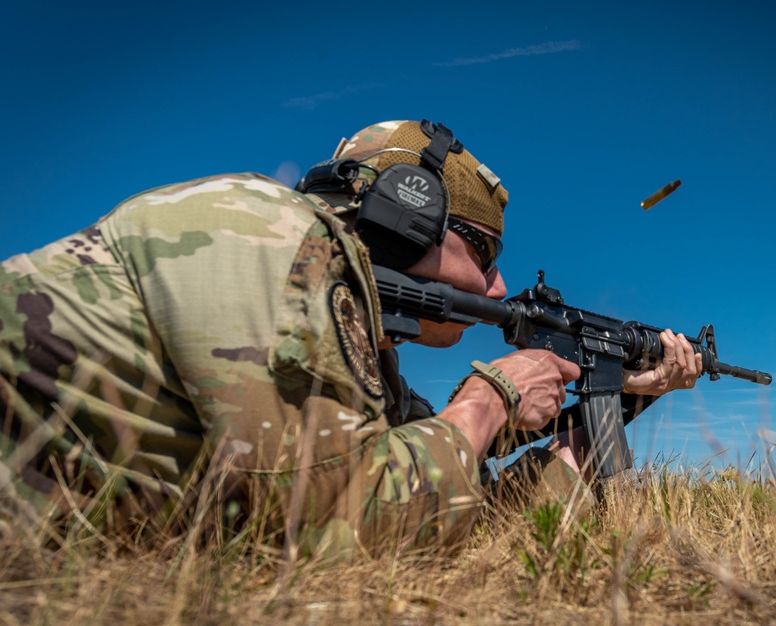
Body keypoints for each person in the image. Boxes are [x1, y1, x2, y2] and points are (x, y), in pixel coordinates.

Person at [0, 119, 701, 554]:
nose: (495, 287)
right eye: (484, 252)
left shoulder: (356, 339)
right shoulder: (263, 230)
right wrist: (489, 399)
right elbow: (326, 525)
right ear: (410, 216)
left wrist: (613, 401)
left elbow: (455, 513)